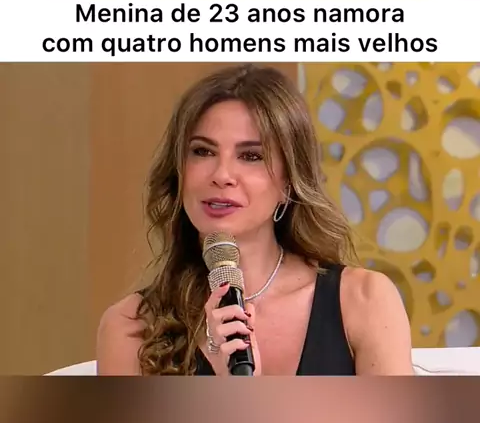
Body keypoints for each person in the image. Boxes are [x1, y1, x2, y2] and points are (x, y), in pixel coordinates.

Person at [97, 64, 413, 375]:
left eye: (251, 156)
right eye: (203, 151)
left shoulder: (365, 300)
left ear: (289, 182)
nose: (222, 175)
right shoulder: (130, 328)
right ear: (179, 173)